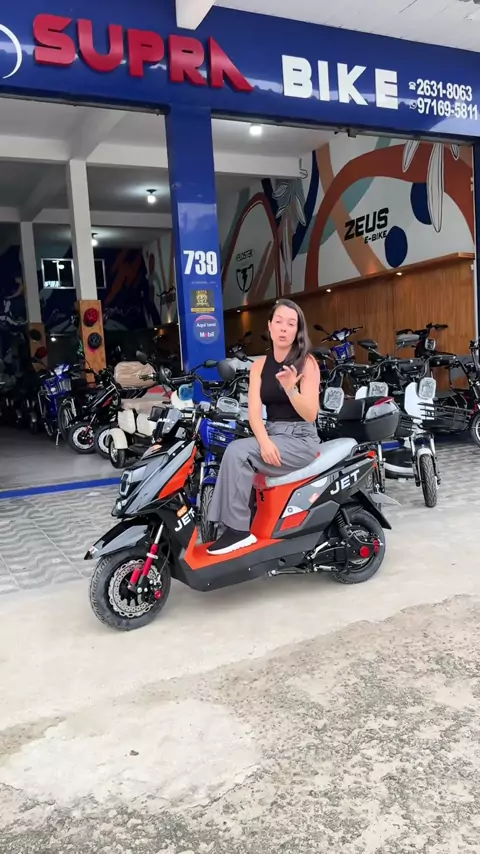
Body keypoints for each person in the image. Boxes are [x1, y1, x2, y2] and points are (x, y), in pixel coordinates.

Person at [207, 298, 321, 555]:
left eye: (290, 324)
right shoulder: (259, 366)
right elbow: (254, 414)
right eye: (278, 322)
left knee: (238, 452)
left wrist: (291, 389)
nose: (284, 328)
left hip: (301, 439)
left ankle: (238, 531)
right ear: (269, 326)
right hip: (272, 434)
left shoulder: (307, 363)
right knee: (231, 449)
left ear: (297, 330)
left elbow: (311, 413)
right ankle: (229, 527)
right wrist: (265, 441)